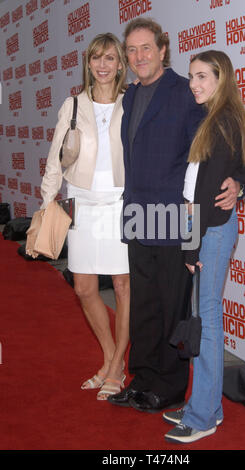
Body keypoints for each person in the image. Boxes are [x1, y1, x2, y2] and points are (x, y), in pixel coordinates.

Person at [108, 18, 243, 412]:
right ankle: (142, 378)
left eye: (146, 48)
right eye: (131, 50)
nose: (138, 57)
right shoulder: (130, 96)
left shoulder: (185, 92)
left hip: (172, 212)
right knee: (145, 306)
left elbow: (217, 146)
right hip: (136, 212)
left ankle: (166, 389)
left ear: (163, 49)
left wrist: (237, 179)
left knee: (171, 307)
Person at [163, 50, 245, 443]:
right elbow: (233, 169)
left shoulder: (221, 121)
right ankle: (208, 405)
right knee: (207, 321)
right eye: (191, 77)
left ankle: (202, 416)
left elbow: (204, 196)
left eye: (203, 76)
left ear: (222, 79)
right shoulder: (218, 117)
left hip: (210, 231)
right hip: (209, 228)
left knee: (207, 324)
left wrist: (189, 247)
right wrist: (239, 180)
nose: (194, 84)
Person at [40, 33, 130, 401]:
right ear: (88, 64)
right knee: (84, 288)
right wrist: (48, 203)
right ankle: (111, 358)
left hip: (123, 206)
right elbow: (54, 158)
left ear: (121, 64)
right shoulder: (73, 105)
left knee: (124, 289)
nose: (103, 65)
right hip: (82, 206)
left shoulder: (132, 103)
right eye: (97, 58)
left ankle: (118, 366)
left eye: (110, 58)